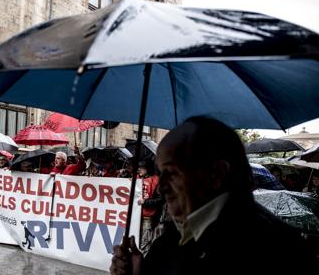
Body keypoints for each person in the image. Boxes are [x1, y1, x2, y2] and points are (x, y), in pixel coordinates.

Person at [110, 116, 315, 275]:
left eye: (171, 173)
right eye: (161, 173)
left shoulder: (274, 250)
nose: (162, 187)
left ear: (217, 174)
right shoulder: (173, 237)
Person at [136, 160, 163, 256]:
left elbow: (161, 200)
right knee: (135, 241)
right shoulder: (137, 178)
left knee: (145, 242)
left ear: (148, 168)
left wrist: (146, 202)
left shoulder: (156, 181)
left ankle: (143, 266)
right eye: (138, 167)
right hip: (136, 216)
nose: (139, 170)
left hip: (148, 218)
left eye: (141, 167)